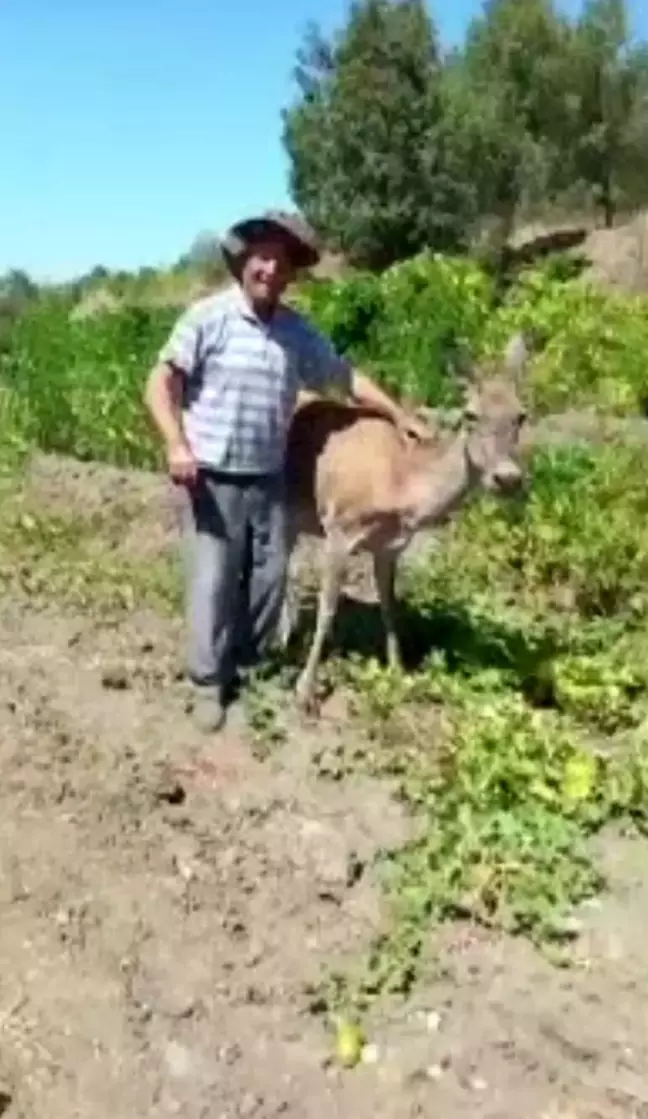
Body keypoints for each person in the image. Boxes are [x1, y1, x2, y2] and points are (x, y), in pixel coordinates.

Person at [144, 209, 425, 732]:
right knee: (214, 579)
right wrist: (175, 443)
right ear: (244, 262)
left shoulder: (297, 333)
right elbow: (160, 383)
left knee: (269, 580)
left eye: (282, 261)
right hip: (210, 475)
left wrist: (397, 414)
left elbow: (344, 377)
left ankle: (249, 668)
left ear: (291, 273)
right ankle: (210, 684)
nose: (271, 269)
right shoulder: (207, 318)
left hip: (270, 475)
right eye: (263, 257)